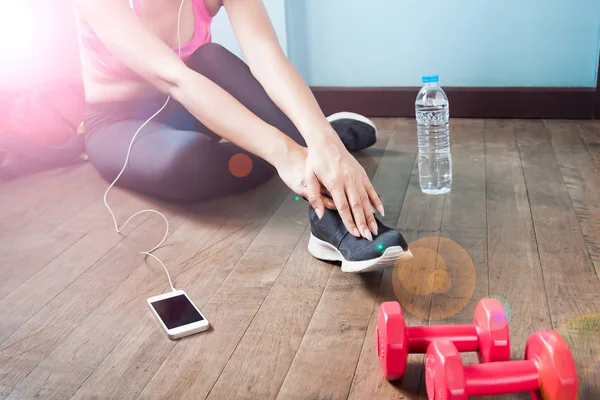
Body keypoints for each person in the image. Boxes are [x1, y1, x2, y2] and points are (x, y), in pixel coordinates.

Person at [73, 0, 412, 272]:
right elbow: (175, 79)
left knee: (212, 57)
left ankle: (330, 214)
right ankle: (300, 148)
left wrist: (322, 137)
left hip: (201, 106)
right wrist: (286, 155)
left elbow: (266, 55)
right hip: (121, 123)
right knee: (189, 163)